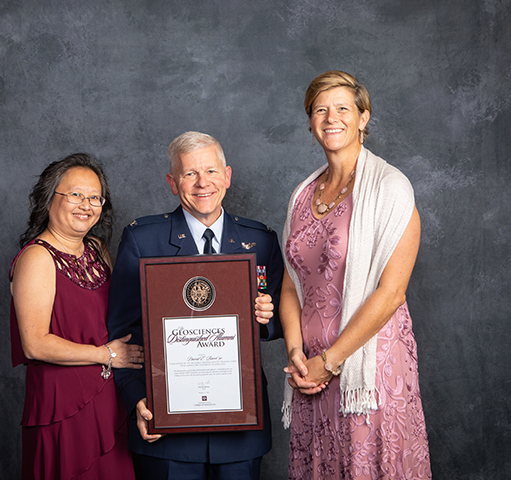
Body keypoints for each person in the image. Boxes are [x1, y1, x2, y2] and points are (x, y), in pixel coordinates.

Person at [106, 131, 284, 480]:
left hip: (239, 428)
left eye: (212, 171)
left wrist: (267, 317)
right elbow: (122, 334)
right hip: (167, 427)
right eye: (189, 174)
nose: (203, 183)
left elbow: (281, 317)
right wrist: (137, 399)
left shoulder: (261, 240)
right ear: (173, 183)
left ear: (228, 176)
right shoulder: (143, 240)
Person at [280, 71, 432, 479]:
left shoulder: (390, 187)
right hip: (309, 373)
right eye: (320, 110)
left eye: (343, 108)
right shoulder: (301, 195)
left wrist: (330, 361)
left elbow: (392, 293)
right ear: (311, 123)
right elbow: (291, 284)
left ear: (363, 117)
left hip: (367, 371)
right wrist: (297, 355)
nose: (332, 118)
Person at [9, 153, 144, 479]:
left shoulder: (97, 249)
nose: (87, 204)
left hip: (109, 400)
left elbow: (120, 318)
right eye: (75, 195)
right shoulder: (37, 258)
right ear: (48, 199)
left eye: (95, 197)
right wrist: (107, 354)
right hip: (63, 405)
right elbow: (35, 344)